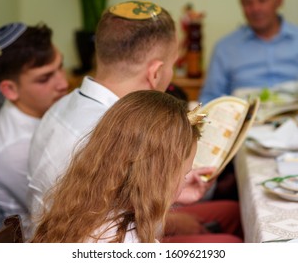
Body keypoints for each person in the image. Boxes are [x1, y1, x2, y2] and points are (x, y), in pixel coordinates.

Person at [28, 0, 243, 242]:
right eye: (172, 66)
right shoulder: (108, 135)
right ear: (156, 73)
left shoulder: (62, 106)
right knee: (230, 242)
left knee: (233, 213)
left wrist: (174, 187)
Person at [31, 90, 203, 242]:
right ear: (157, 179)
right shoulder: (128, 241)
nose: (184, 180)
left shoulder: (81, 206)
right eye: (184, 175)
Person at [0, 22, 69, 231]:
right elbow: (64, 215)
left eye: (60, 66)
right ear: (10, 90)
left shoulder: (43, 108)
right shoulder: (13, 150)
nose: (63, 83)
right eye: (45, 78)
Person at [199, 0, 298, 104]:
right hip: (247, 120)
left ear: (279, 0)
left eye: (262, 0)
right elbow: (209, 100)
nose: (255, 8)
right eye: (247, 2)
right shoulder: (224, 48)